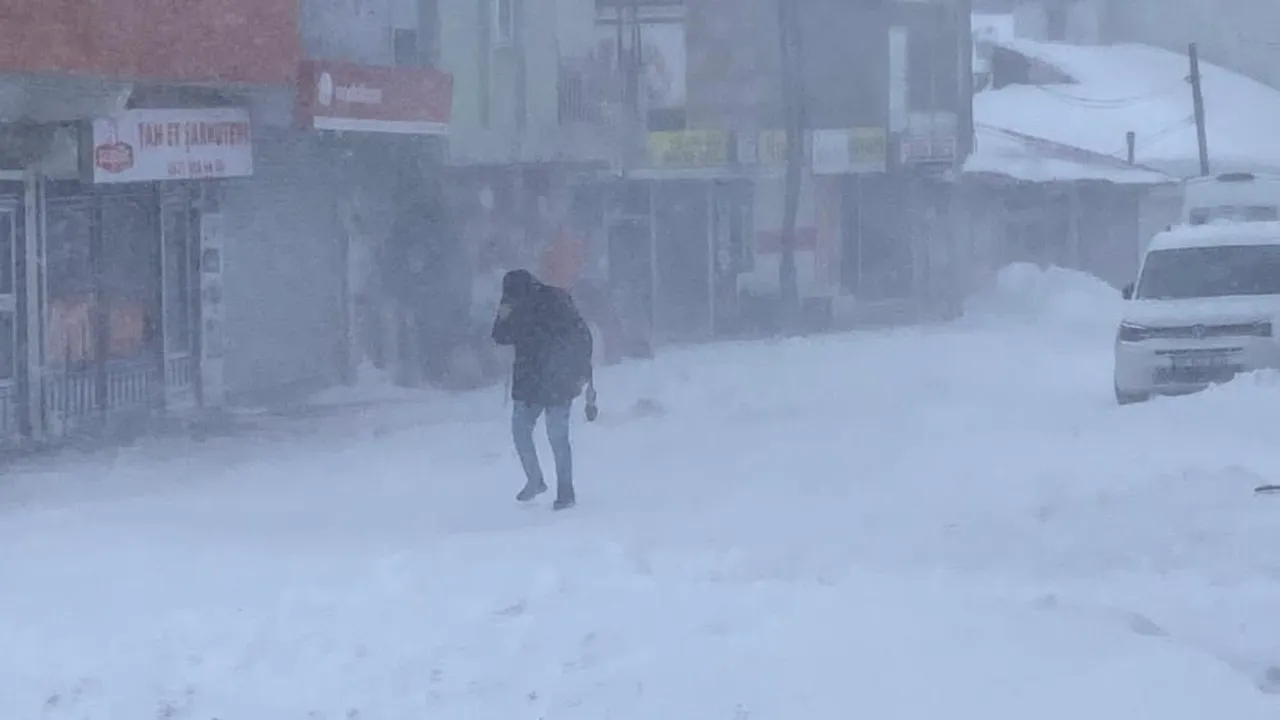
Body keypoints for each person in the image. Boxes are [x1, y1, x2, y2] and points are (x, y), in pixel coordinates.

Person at [492, 269, 594, 510]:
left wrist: (580, 371)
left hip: (552, 379)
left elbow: (579, 337)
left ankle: (559, 489)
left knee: (547, 435)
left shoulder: (554, 303)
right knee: (536, 434)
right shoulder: (528, 302)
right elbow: (501, 336)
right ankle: (543, 483)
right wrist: (502, 317)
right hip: (539, 380)